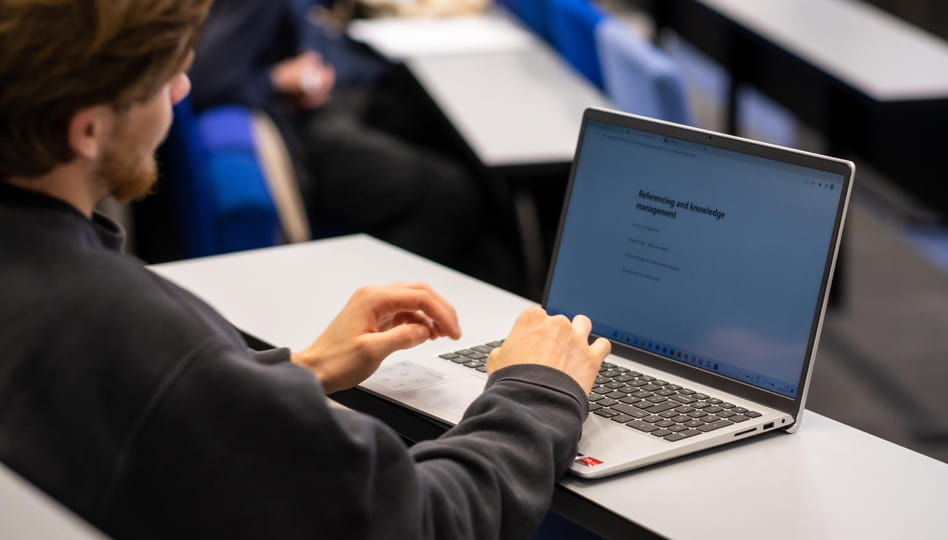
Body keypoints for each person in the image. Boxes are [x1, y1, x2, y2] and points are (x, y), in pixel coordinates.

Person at [0, 1, 610, 538]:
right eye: (164, 76)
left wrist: (295, 372)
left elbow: (131, 407)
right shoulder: (125, 329)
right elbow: (422, 521)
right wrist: (535, 392)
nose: (183, 89)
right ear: (87, 129)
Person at [189, 0, 521, 290]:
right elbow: (205, 81)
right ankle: (394, 323)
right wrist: (280, 81)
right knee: (449, 193)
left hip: (327, 99)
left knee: (435, 123)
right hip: (296, 128)